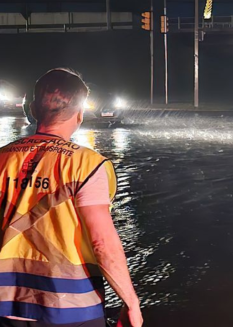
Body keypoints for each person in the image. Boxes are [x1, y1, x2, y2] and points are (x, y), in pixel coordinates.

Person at [0, 69, 142, 327]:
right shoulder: (88, 165)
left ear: (32, 110)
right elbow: (102, 243)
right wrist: (130, 302)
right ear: (80, 114)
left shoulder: (2, 158)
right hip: (71, 306)